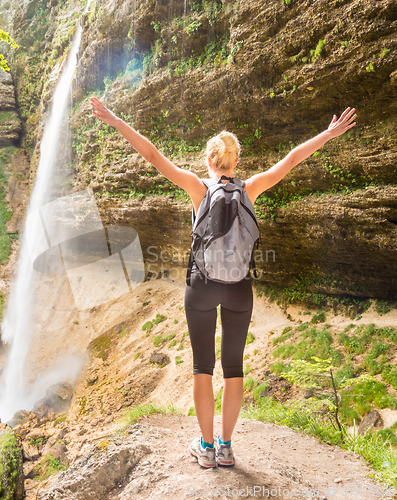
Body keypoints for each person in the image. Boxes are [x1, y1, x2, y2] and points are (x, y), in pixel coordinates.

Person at [90, 96, 357, 467]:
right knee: (233, 368)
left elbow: (152, 156)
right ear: (236, 163)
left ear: (210, 162)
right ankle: (227, 446)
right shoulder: (251, 188)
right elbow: (293, 159)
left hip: (201, 286)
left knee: (202, 366)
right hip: (239, 289)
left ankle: (205, 447)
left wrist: (115, 120)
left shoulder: (198, 188)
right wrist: (328, 133)